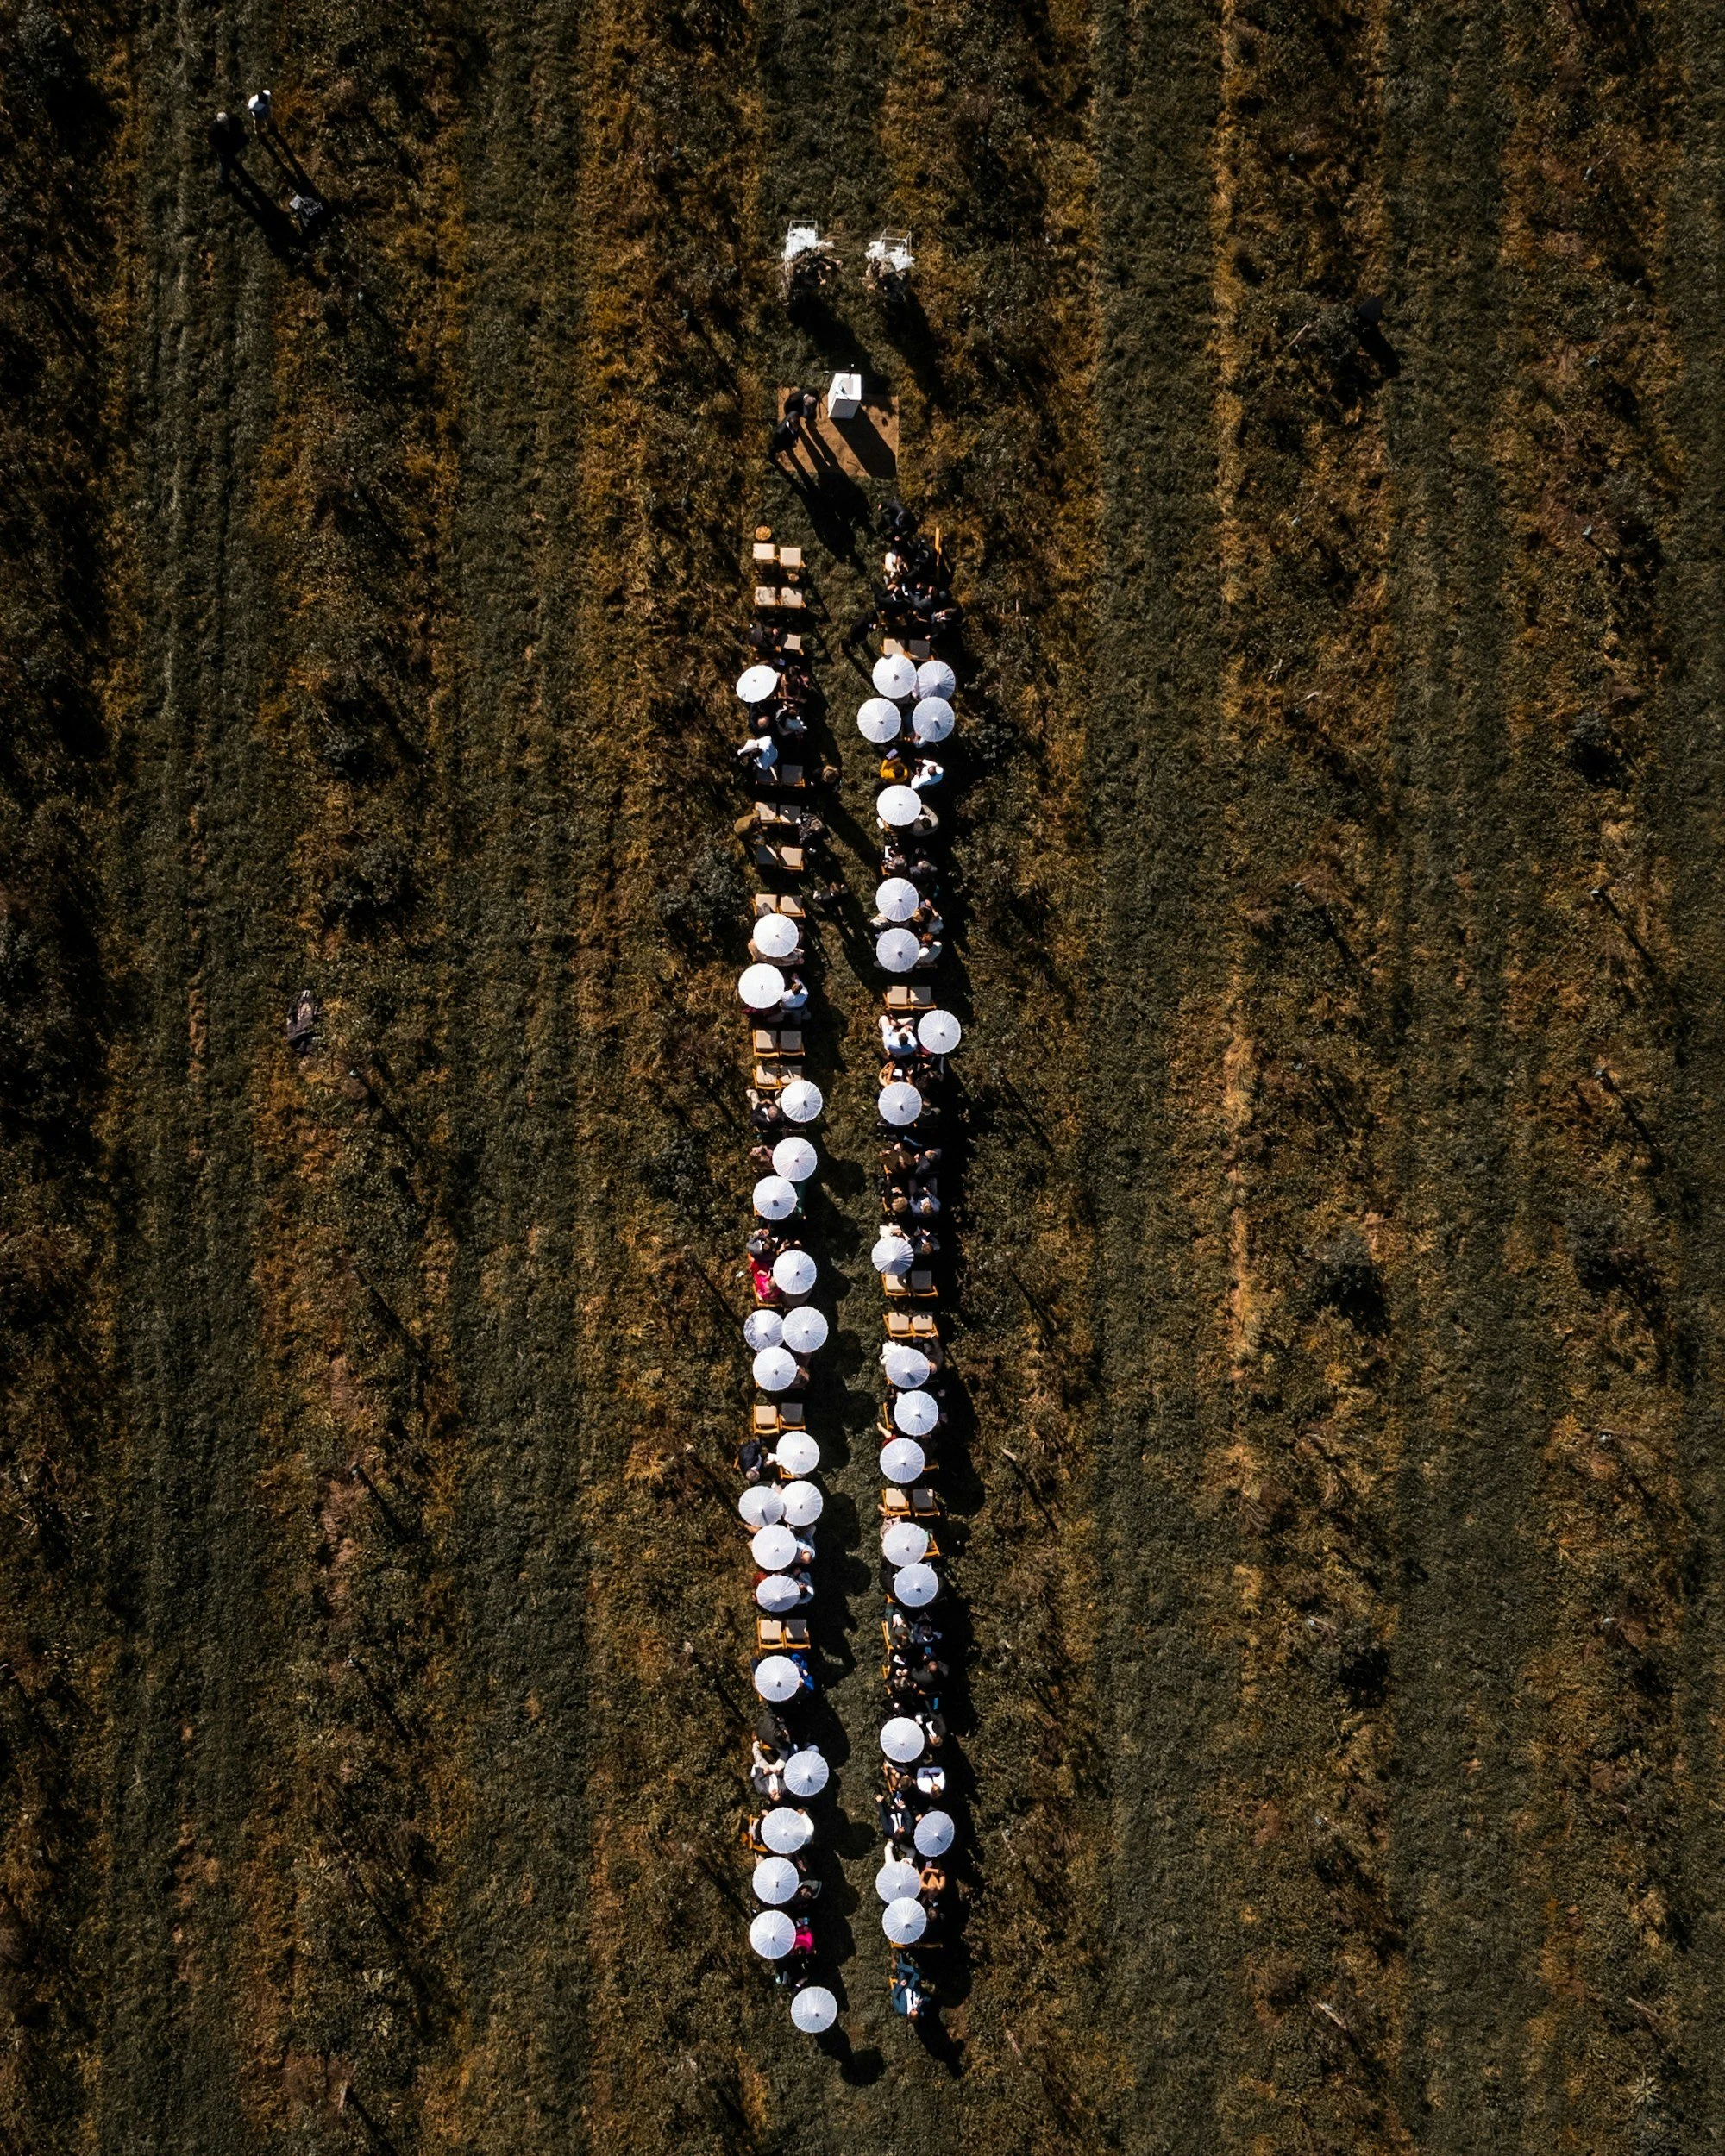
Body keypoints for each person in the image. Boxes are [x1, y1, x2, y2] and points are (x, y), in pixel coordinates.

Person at [208, 109, 247, 185]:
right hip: (223, 149)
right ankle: (223, 180)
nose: (226, 125)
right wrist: (220, 151)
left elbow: (240, 125)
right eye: (224, 124)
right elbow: (212, 142)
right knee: (225, 166)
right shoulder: (214, 130)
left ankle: (232, 162)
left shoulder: (233, 119)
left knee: (244, 140)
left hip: (232, 143)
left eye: (226, 122)